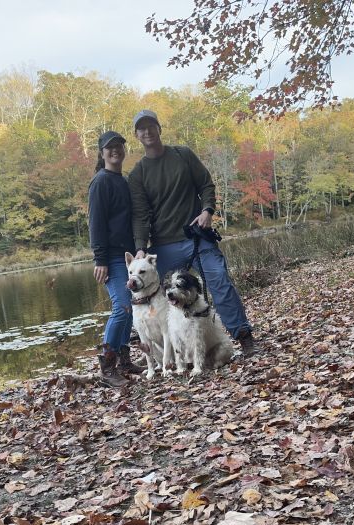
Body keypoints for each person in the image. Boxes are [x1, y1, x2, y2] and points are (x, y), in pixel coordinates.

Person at [128, 110, 257, 356]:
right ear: (136, 135)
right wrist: (140, 246)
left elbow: (206, 184)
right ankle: (167, 351)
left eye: (151, 126)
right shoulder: (137, 174)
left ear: (159, 128)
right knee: (155, 293)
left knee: (219, 280)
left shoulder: (182, 155)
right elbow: (140, 215)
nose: (147, 132)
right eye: (141, 129)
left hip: (196, 236)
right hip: (163, 245)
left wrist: (208, 210)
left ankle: (243, 336)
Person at [88, 130, 144, 386]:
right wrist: (100, 259)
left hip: (128, 257)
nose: (116, 150)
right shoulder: (101, 182)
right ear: (102, 153)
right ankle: (107, 368)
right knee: (121, 308)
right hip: (110, 257)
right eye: (110, 147)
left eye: (120, 146)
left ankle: (124, 361)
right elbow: (96, 223)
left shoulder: (121, 180)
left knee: (129, 309)